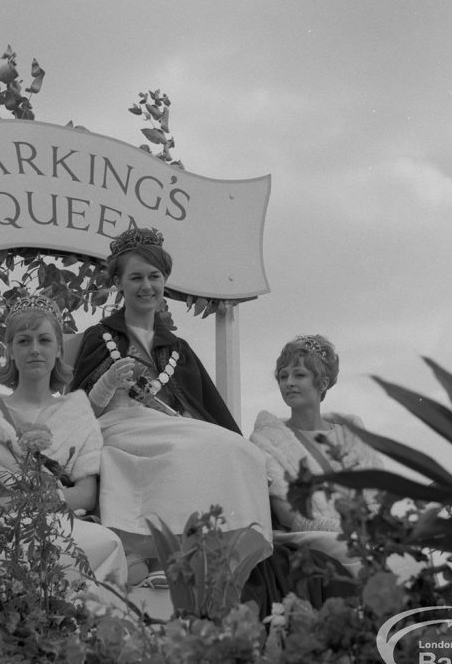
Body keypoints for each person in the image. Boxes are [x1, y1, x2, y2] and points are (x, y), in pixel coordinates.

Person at [69, 228, 273, 584]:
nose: (146, 286)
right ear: (118, 282)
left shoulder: (176, 347)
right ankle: (157, 550)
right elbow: (79, 416)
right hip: (115, 427)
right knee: (181, 453)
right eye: (136, 277)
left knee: (240, 450)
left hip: (168, 427)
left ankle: (208, 552)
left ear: (164, 281)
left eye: (154, 276)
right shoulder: (100, 337)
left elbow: (204, 408)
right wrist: (109, 382)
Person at [0, 293, 129, 587]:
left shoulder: (77, 411)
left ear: (58, 349)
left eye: (44, 340)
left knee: (107, 543)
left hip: (59, 527)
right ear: (10, 350)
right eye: (23, 341)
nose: (34, 349)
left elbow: (86, 495)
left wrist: (28, 502)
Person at [250, 335, 383, 574]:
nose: (288, 382)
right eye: (283, 376)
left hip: (362, 537)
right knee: (348, 551)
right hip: (307, 539)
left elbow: (375, 499)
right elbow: (289, 514)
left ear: (322, 382)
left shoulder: (352, 435)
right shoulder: (266, 440)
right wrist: (348, 534)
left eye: (299, 375)